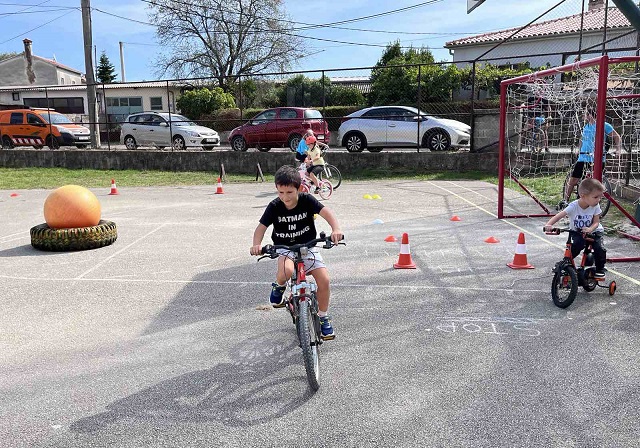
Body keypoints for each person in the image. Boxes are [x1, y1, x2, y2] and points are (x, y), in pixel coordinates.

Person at [250, 165, 344, 340]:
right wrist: (256, 244)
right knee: (286, 271)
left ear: (299, 189)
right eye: (281, 192)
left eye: (289, 192)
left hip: (308, 246)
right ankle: (279, 285)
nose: (285, 197)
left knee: (324, 280)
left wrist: (336, 229)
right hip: (285, 248)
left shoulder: (307, 200)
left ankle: (323, 317)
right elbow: (261, 228)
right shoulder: (274, 206)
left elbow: (327, 213)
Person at [544, 177, 608, 279]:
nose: (598, 200)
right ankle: (566, 263)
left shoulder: (595, 206)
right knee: (576, 245)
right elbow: (559, 215)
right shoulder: (573, 206)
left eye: (600, 197)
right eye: (596, 197)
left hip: (595, 231)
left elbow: (596, 222)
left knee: (600, 248)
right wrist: (549, 224)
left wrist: (590, 229)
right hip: (577, 232)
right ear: (583, 196)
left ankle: (600, 268)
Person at [561, 107, 621, 207]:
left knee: (594, 182)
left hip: (597, 158)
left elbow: (616, 136)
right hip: (583, 157)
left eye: (585, 114)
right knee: (573, 180)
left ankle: (590, 203)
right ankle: (565, 201)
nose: (583, 116)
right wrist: (579, 150)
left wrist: (618, 149)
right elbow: (582, 140)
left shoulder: (604, 125)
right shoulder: (586, 126)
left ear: (590, 115)